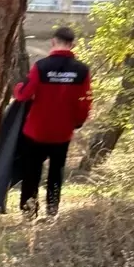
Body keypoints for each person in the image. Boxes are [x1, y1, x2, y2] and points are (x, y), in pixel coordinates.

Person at [12, 26, 91, 218]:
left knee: (32, 173)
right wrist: (78, 122)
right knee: (56, 173)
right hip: (62, 132)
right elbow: (86, 100)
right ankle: (52, 212)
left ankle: (29, 213)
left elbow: (23, 95)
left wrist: (18, 86)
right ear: (72, 45)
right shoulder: (82, 70)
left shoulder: (41, 67)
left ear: (53, 42)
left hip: (36, 131)